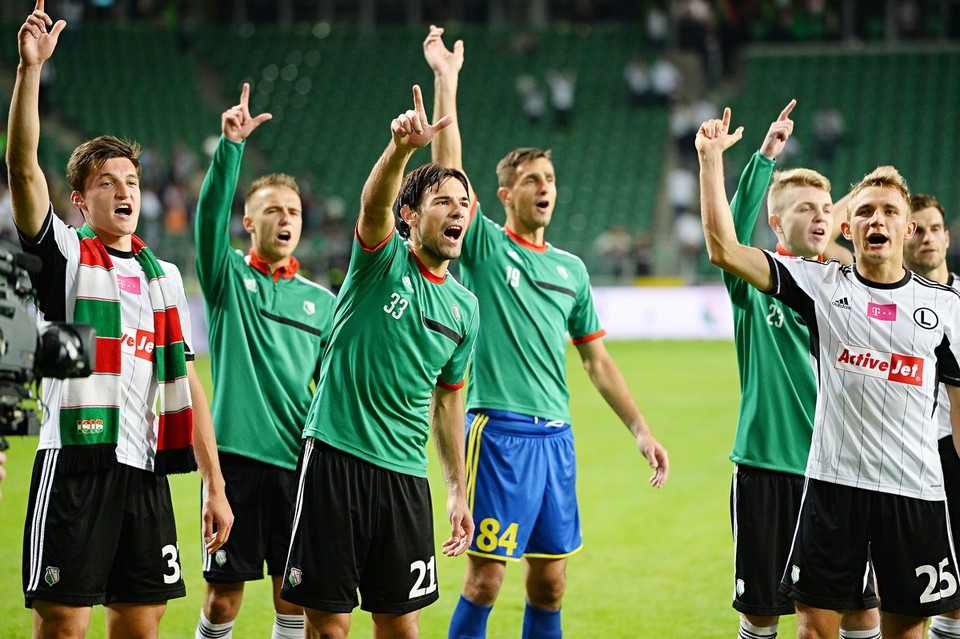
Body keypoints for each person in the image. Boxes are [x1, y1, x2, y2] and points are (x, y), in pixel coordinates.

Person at [423, 26, 669, 639]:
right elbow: (447, 168)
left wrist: (641, 429)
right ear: (504, 194)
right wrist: (446, 78)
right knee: (484, 580)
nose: (544, 189)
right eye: (531, 180)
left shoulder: (572, 270)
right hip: (497, 431)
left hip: (556, 439)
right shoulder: (481, 243)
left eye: (550, 181)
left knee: (551, 580)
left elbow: (597, 362)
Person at [8, 3, 233, 637]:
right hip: (77, 462)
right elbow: (24, 167)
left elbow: (187, 384)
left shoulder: (164, 280)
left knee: (142, 620)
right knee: (64, 623)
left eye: (131, 179)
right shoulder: (67, 255)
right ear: (80, 199)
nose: (124, 191)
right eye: (107, 182)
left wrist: (214, 485)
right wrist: (31, 72)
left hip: (145, 469)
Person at [698, 106, 960, 639]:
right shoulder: (807, 286)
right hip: (813, 477)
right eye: (863, 212)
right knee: (795, 621)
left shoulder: (940, 307)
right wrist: (729, 161)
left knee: (887, 621)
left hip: (902, 486)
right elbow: (727, 246)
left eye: (888, 211)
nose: (875, 221)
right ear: (849, 225)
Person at [278, 85, 479, 639]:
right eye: (443, 201)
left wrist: (458, 488)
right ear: (411, 215)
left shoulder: (465, 309)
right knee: (329, 627)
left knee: (400, 627)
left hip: (405, 477)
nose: (457, 210)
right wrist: (400, 150)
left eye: (464, 204)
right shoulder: (380, 259)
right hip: (335, 458)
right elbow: (373, 205)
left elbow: (449, 398)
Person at [720, 101, 879, 639]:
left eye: (826, 207)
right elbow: (729, 235)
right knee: (762, 614)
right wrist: (764, 157)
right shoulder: (753, 280)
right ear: (775, 221)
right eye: (805, 207)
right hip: (769, 467)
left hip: (844, 470)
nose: (820, 216)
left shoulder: (849, 286)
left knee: (860, 612)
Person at [193, 84, 337, 639]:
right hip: (235, 464)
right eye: (271, 211)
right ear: (248, 224)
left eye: (293, 211)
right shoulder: (228, 279)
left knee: (292, 600)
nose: (285, 219)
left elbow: (330, 390)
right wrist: (230, 148)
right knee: (224, 600)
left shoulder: (322, 303)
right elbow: (208, 221)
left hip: (298, 465)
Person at [901, 193, 960, 639]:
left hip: (953, 450)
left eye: (935, 228)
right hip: (907, 453)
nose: (928, 238)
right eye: (916, 228)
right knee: (908, 587)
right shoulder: (889, 298)